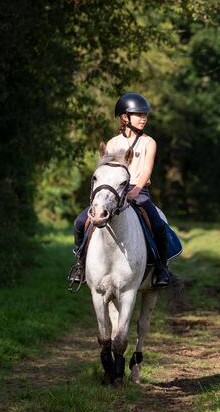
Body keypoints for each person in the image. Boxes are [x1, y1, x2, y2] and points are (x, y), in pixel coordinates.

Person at [68, 92, 171, 287]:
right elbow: (105, 172)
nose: (144, 119)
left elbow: (146, 170)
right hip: (113, 192)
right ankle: (81, 266)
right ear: (125, 117)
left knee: (158, 225)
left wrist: (136, 190)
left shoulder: (149, 142)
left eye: (145, 115)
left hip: (138, 191)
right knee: (80, 222)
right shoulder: (113, 143)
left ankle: (161, 268)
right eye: (139, 114)